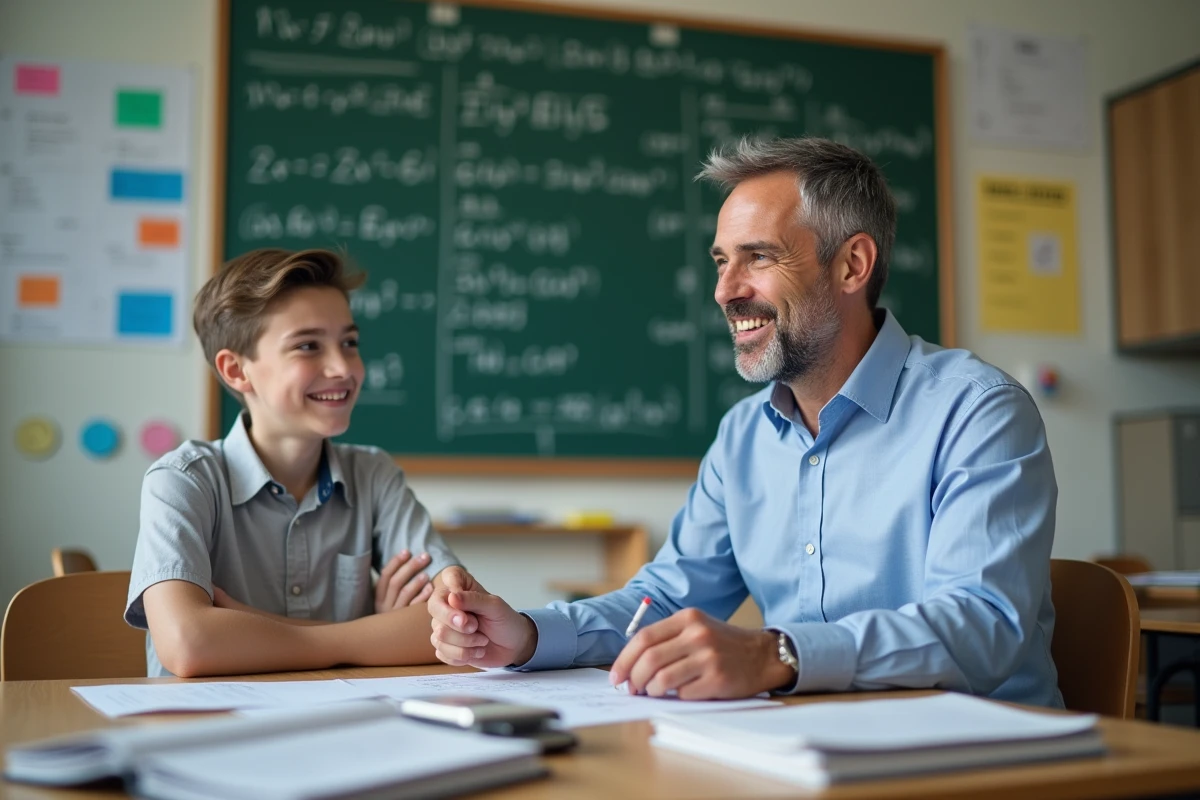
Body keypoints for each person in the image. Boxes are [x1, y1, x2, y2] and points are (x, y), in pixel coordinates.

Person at [429, 137, 1062, 707]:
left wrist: (773, 654)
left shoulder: (977, 411)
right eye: (720, 260)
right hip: (814, 749)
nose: (724, 290)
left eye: (757, 257)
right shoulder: (744, 435)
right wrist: (530, 634)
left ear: (851, 265)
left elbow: (980, 628)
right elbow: (670, 600)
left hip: (980, 758)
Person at [126, 248, 474, 677]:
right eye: (308, 346)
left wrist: (263, 630)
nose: (342, 367)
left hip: (340, 727)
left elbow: (460, 624)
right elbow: (189, 644)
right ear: (236, 371)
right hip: (210, 733)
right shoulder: (182, 481)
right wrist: (376, 633)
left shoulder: (374, 476)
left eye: (350, 342)